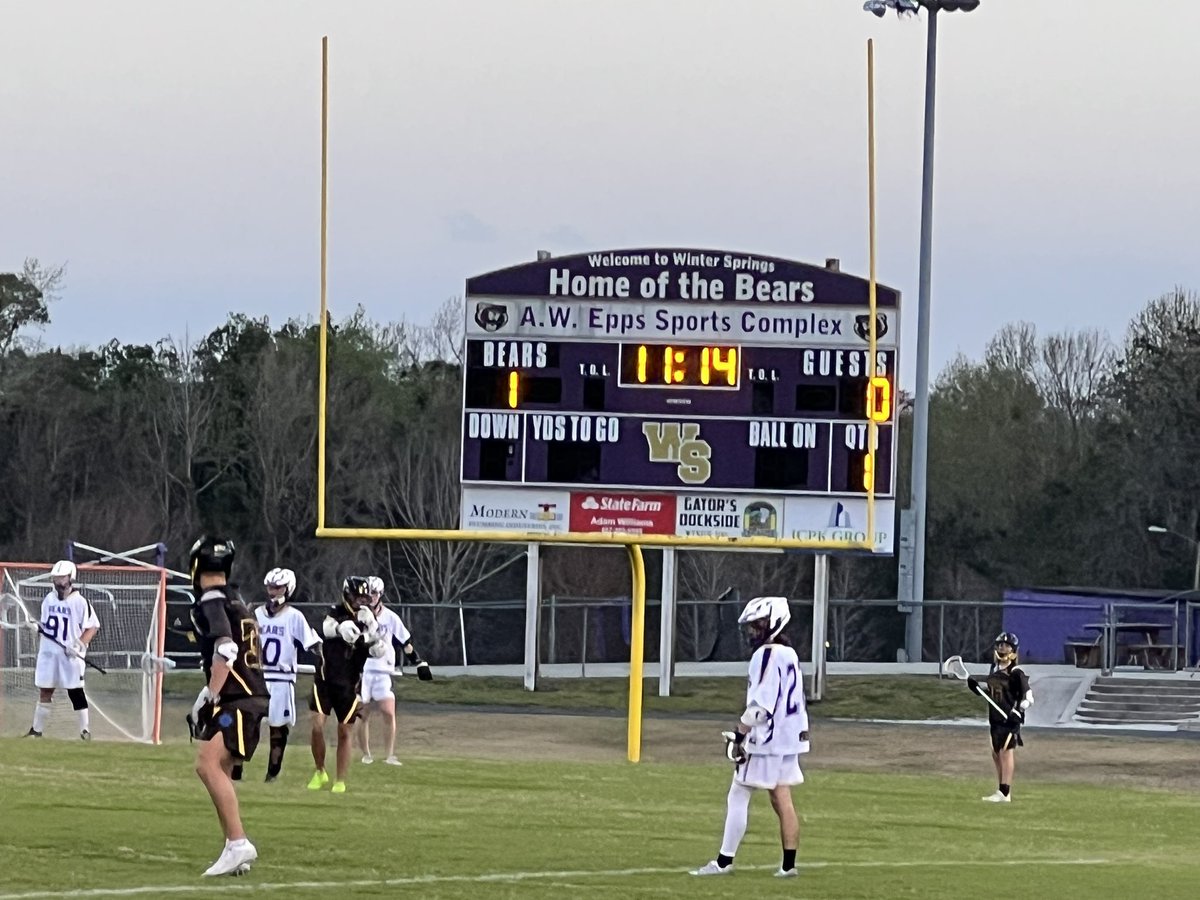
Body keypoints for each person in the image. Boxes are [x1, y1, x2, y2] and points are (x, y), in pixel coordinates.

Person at [691, 596, 808, 879]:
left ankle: (723, 861)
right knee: (782, 797)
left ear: (774, 623)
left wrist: (740, 734)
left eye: (759, 625)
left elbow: (760, 708)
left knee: (739, 792)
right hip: (789, 737)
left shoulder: (766, 655)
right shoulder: (789, 654)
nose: (754, 631)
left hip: (767, 738)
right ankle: (789, 865)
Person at [187, 535, 270, 877]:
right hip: (250, 695)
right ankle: (233, 848)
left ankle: (238, 843)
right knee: (216, 768)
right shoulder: (237, 599)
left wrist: (209, 695)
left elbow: (227, 650)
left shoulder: (212, 601)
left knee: (207, 766)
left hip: (238, 696)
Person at [307, 576, 388, 793]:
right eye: (356, 596)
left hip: (349, 683)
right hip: (325, 679)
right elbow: (324, 627)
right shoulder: (334, 611)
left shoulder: (368, 618)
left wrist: (375, 646)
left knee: (344, 731)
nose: (360, 601)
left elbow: (374, 641)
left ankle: (340, 780)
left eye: (363, 597)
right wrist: (340, 628)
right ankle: (320, 770)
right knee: (317, 726)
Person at [254, 567, 322, 782]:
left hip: (281, 680)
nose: (273, 591)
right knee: (246, 725)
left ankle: (272, 773)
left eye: (278, 587)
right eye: (270, 587)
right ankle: (235, 770)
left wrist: (324, 653)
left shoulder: (294, 617)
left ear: (288, 589)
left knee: (278, 730)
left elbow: (312, 645)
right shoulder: (255, 614)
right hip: (257, 678)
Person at [356, 576, 432, 766]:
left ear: (380, 595)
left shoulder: (390, 617)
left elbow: (405, 642)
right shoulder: (357, 616)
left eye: (374, 593)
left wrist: (418, 662)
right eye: (367, 593)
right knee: (362, 714)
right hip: (363, 671)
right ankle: (366, 754)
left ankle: (389, 755)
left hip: (383, 671)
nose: (370, 597)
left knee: (389, 713)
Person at [25, 560, 99, 740]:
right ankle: (36, 731)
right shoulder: (48, 599)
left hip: (70, 656)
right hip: (49, 653)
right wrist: (37, 628)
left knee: (75, 691)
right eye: (56, 578)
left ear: (70, 578)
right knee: (45, 690)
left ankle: (84, 731)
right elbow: (48, 627)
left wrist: (79, 645)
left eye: (62, 578)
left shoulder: (81, 602)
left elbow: (92, 627)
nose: (58, 582)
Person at [968, 631, 1033, 803]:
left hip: (1009, 719)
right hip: (995, 719)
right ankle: (1001, 790)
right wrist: (977, 688)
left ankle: (1005, 792)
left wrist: (1018, 711)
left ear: (1013, 649)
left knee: (1006, 753)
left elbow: (1028, 697)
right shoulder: (994, 670)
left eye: (1006, 645)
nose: (1002, 648)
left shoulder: (1016, 672)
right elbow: (992, 693)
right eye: (1000, 645)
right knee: (996, 754)